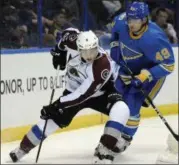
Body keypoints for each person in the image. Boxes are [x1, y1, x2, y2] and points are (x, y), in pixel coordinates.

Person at [9, 27, 125, 163]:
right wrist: (60, 52)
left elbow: (82, 94)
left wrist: (57, 104)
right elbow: (66, 35)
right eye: (85, 51)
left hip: (99, 93)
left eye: (92, 51)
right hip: (72, 91)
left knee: (122, 109)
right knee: (51, 121)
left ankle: (105, 149)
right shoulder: (72, 41)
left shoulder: (102, 65)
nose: (89, 56)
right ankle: (22, 148)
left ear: (97, 46)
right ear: (78, 47)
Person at [93, 1, 175, 164]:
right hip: (126, 69)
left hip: (148, 74)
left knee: (132, 105)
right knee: (116, 102)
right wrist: (115, 45)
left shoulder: (155, 37)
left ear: (145, 20)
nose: (131, 23)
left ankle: (125, 138)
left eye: (135, 20)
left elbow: (169, 64)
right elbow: (115, 32)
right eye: (129, 19)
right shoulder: (122, 21)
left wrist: (145, 76)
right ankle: (110, 138)